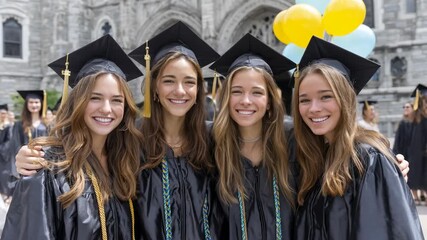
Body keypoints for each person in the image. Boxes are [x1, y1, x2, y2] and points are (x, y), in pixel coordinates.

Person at [2, 34, 144, 239]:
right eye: (95, 98)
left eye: (116, 100)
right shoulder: (48, 167)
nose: (107, 109)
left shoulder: (126, 162)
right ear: (77, 102)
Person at [292, 36, 423, 239]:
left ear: (345, 99)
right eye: (304, 100)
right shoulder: (312, 158)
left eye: (326, 96)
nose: (314, 108)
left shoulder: (368, 160)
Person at [128, 21, 224, 239]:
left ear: (199, 89)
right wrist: (36, 157)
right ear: (154, 88)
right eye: (169, 81)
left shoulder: (215, 139)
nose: (180, 91)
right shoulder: (131, 140)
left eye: (189, 82)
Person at [209, 33, 297, 239]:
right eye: (237, 91)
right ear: (226, 97)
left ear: (269, 101)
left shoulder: (294, 141)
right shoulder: (212, 145)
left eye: (257, 93)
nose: (246, 101)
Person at [406, 84, 427, 204]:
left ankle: (423, 193)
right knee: (415, 170)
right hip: (415, 148)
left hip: (423, 147)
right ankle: (415, 195)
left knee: (424, 171)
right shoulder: (415, 115)